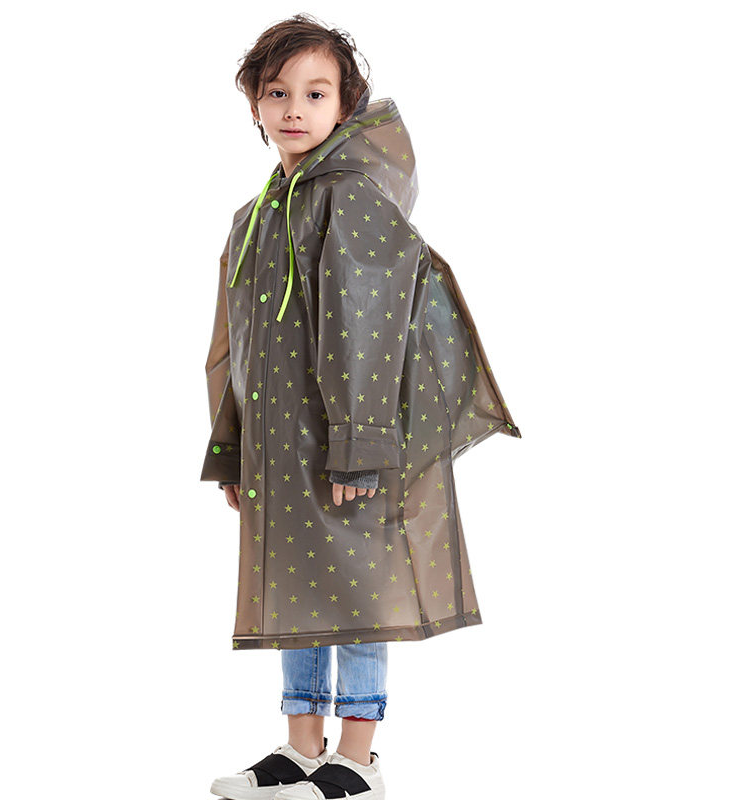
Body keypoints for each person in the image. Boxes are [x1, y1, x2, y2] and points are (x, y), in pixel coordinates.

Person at [202, 12, 521, 800]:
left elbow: (370, 325)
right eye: (278, 92)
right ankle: (300, 748)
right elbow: (231, 345)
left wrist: (362, 443)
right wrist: (230, 447)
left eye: (316, 93)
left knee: (359, 590)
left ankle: (357, 756)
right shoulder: (254, 217)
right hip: (280, 448)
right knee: (295, 588)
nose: (294, 109)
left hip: (350, 445)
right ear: (254, 103)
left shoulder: (350, 199)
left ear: (346, 106)